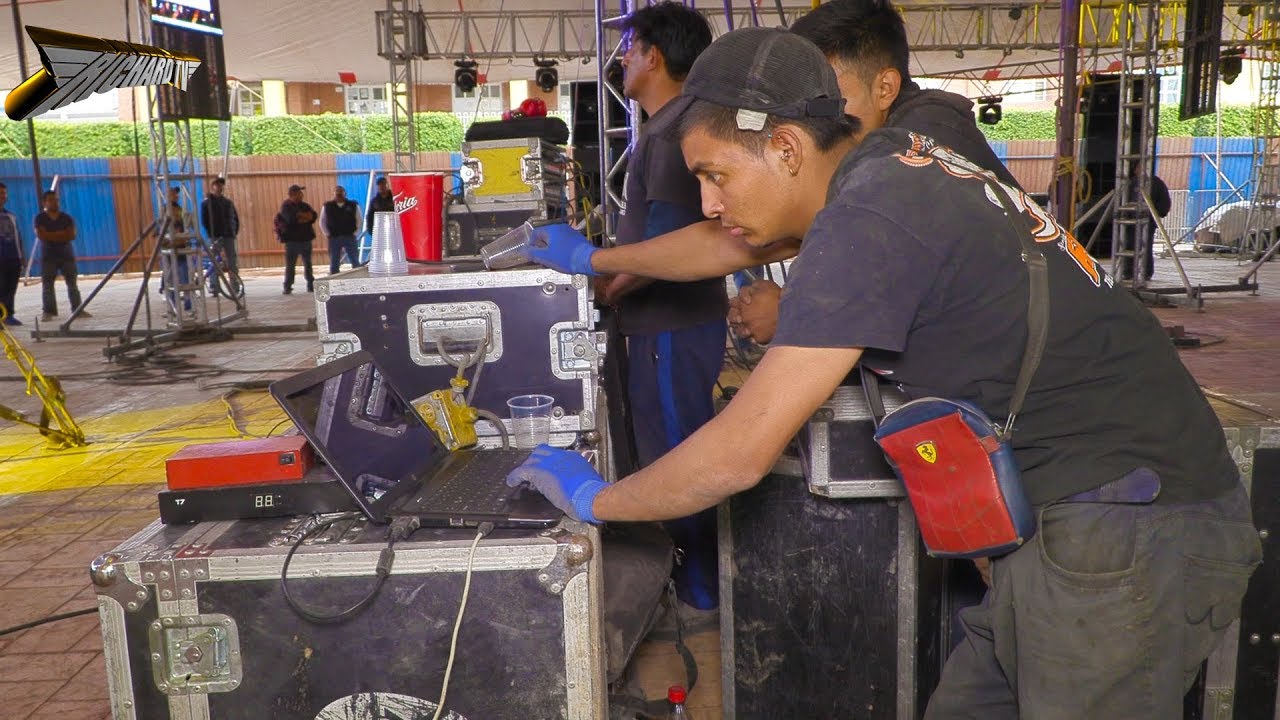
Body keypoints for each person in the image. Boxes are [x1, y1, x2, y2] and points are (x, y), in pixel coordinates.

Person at [508, 28, 1261, 719]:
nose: (707, 202)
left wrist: (599, 499)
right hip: (1078, 513)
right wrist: (594, 260)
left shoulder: (869, 217)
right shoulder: (886, 166)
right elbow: (723, 243)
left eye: (714, 175)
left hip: (1130, 522)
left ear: (787, 149)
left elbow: (740, 452)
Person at [732, 0, 1023, 345]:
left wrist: (789, 310)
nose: (809, 120)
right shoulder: (862, 150)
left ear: (884, 88)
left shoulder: (920, 145)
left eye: (827, 100)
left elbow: (889, 283)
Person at [602, 1, 724, 611]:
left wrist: (597, 281)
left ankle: (702, 596)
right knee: (664, 450)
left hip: (673, 330)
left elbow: (669, 250)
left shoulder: (674, 134)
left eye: (629, 48)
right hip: (662, 328)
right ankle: (687, 583)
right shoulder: (662, 130)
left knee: (682, 456)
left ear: (654, 55)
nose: (622, 58)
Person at [35, 190, 89, 321]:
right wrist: (61, 234)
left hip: (66, 255)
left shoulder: (66, 218)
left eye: (56, 200)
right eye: (51, 200)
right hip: (48, 256)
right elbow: (42, 236)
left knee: (72, 284)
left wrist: (51, 235)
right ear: (45, 202)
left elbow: (71, 235)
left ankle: (78, 310)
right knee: (47, 285)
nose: (55, 202)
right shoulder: (40, 218)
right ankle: (48, 312)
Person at [275, 184, 317, 294]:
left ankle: (311, 285)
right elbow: (291, 220)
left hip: (306, 238)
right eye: (299, 192)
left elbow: (313, 217)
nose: (302, 194)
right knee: (291, 265)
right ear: (292, 194)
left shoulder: (305, 205)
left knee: (308, 263)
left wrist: (301, 216)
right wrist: (305, 217)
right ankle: (287, 286)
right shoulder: (286, 206)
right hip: (292, 240)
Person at [200, 176, 241, 273]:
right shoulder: (207, 203)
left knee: (232, 261)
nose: (220, 187)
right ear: (213, 187)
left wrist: (233, 231)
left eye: (221, 185)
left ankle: (234, 286)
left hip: (228, 234)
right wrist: (211, 233)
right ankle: (215, 287)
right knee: (214, 261)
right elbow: (204, 220)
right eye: (217, 185)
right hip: (215, 235)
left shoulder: (228, 203)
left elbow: (235, 218)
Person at [321, 185, 363, 274]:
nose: (339, 194)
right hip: (334, 238)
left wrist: (355, 234)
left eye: (341, 193)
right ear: (334, 194)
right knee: (334, 262)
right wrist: (328, 234)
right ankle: (334, 281)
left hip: (350, 237)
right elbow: (322, 222)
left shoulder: (353, 205)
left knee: (355, 261)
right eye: (337, 193)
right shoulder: (327, 206)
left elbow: (359, 220)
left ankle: (358, 279)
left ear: (345, 194)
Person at [0, 183, 23, 326]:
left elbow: (17, 237)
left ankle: (9, 314)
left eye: (4, 193)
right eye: (0, 193)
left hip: (13, 258)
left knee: (11, 288)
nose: (3, 196)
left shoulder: (11, 216)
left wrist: (21, 256)